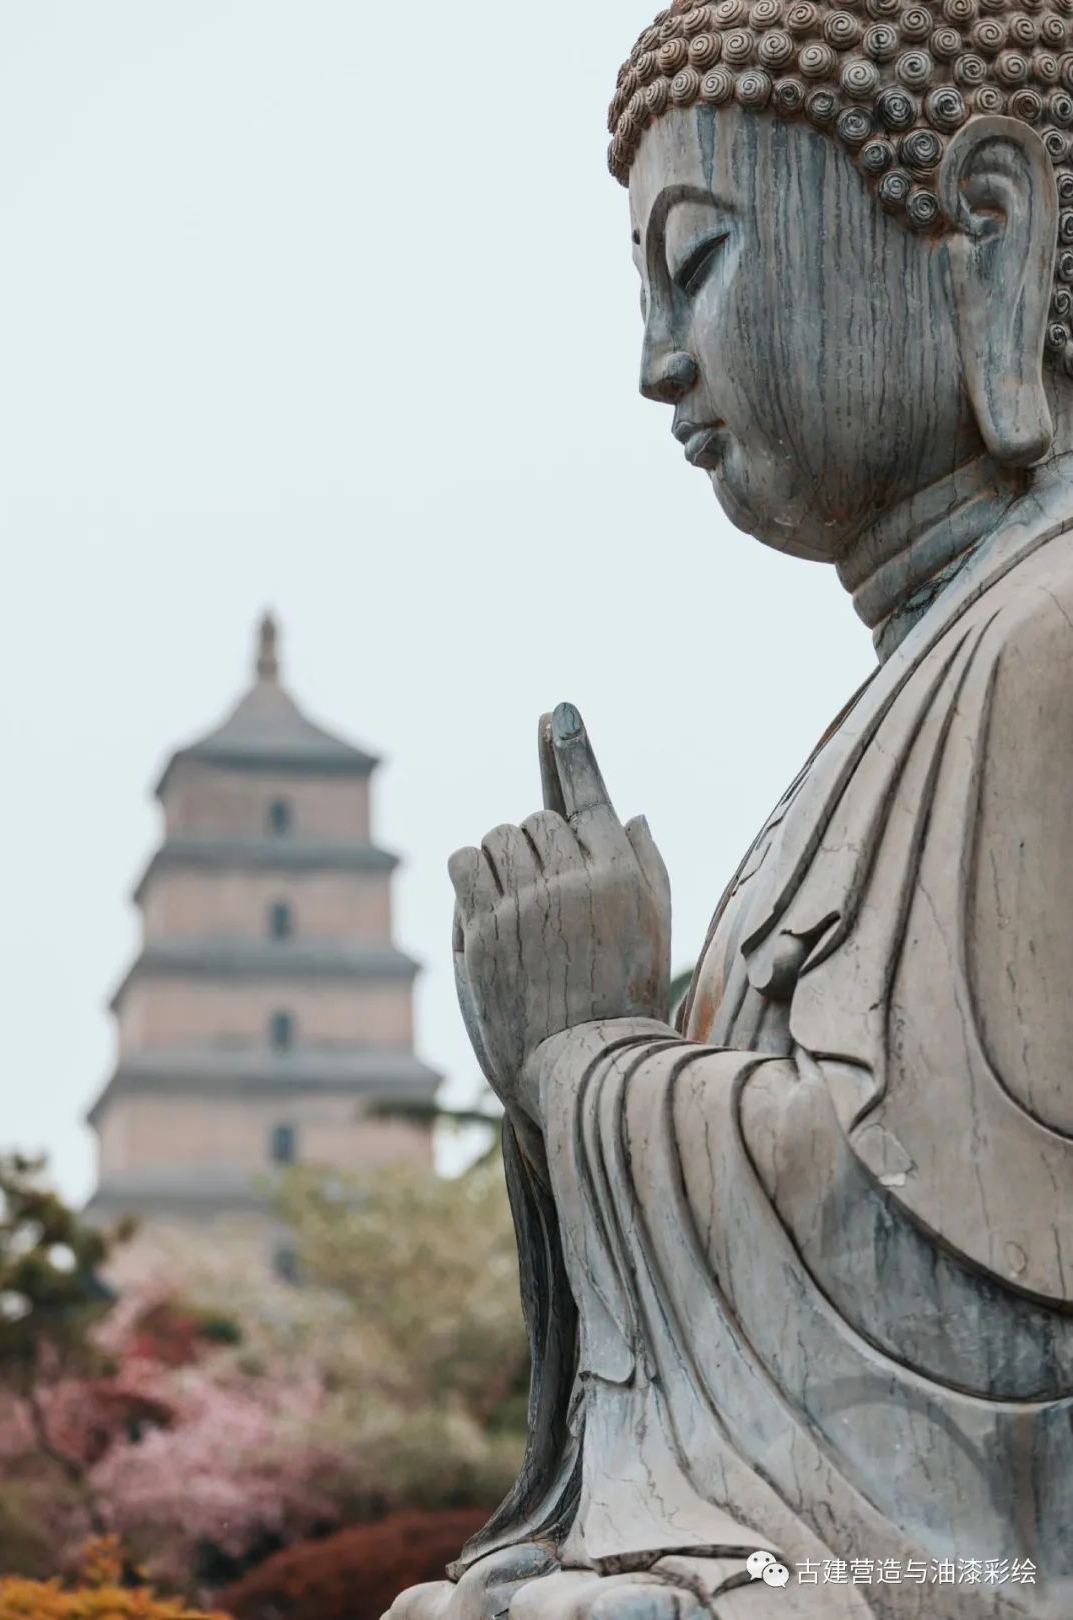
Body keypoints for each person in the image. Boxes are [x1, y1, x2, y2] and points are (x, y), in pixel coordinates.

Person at [387, 1, 1073, 1614]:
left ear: (986, 225)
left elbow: (990, 1309)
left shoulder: (1047, 638)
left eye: (696, 261)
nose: (657, 364)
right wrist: (608, 1057)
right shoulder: (935, 671)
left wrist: (583, 1053)